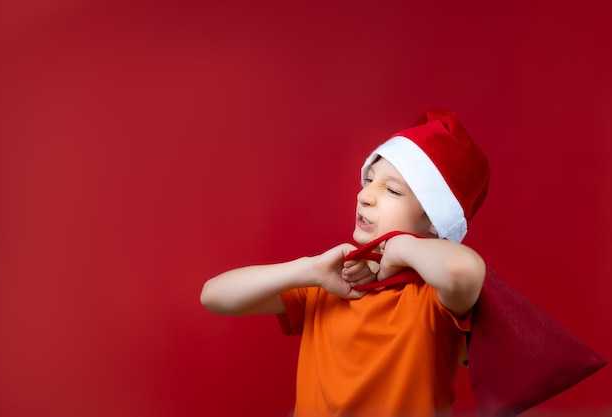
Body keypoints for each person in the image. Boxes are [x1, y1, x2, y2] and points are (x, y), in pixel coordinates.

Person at [200, 109, 491, 417]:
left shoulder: (432, 300)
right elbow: (214, 296)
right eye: (369, 180)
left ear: (435, 220)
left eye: (391, 190)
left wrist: (399, 245)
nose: (365, 194)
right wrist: (309, 270)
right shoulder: (329, 283)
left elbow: (463, 270)